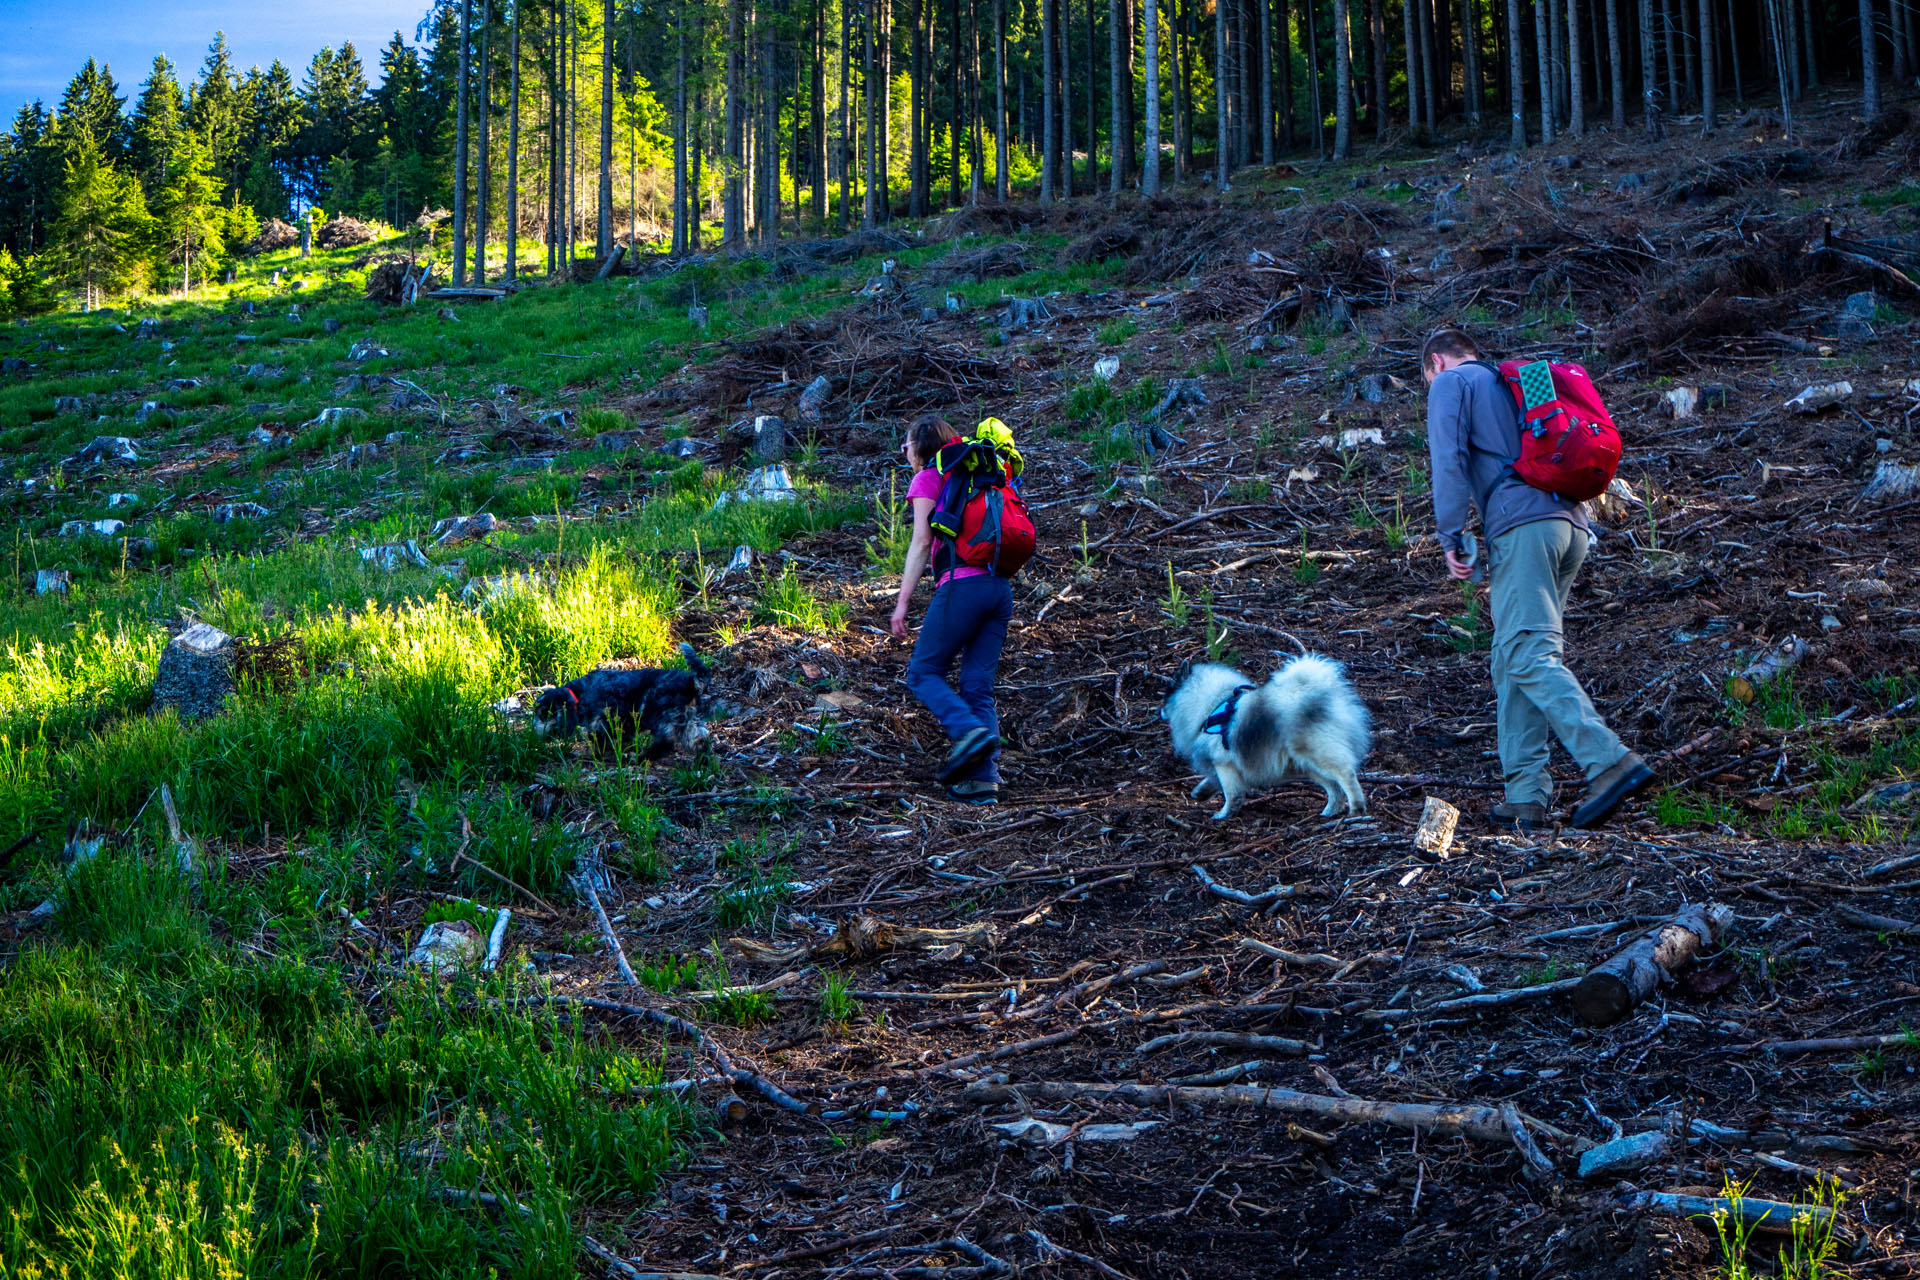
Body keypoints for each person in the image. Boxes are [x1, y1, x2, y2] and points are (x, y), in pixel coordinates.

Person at [1422, 329, 1652, 830]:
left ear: (1436, 361)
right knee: (1512, 656)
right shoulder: (1518, 381)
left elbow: (1448, 461)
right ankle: (1525, 795)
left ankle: (1610, 763)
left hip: (1522, 528)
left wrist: (1450, 536)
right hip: (1569, 526)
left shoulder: (1450, 383)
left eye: (1427, 377)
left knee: (1527, 653)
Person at [890, 415, 1013, 804]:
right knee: (978, 687)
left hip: (962, 586)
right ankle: (983, 780)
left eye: (905, 445)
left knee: (923, 672)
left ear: (919, 447)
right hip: (998, 588)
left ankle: (967, 732)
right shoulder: (978, 473)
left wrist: (902, 602)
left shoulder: (928, 477)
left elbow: (922, 542)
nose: (904, 452)